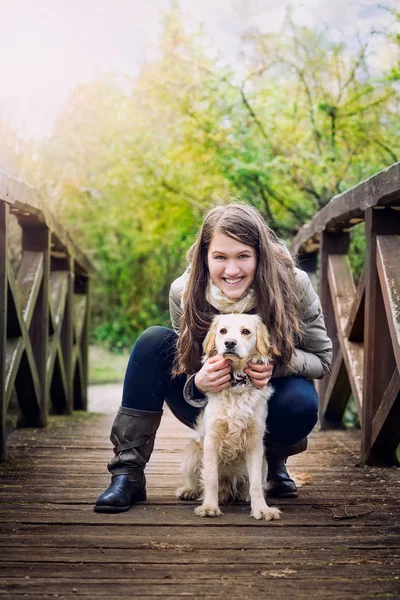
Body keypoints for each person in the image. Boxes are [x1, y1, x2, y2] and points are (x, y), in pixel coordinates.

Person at [94, 203, 332, 513]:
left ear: (260, 255)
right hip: (210, 399)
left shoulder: (293, 284)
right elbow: (187, 355)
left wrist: (276, 366)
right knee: (153, 340)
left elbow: (322, 359)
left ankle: (272, 461)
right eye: (220, 257)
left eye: (243, 256)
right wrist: (198, 380)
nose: (231, 271)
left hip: (267, 396)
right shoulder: (184, 290)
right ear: (205, 257)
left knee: (300, 403)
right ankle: (128, 472)